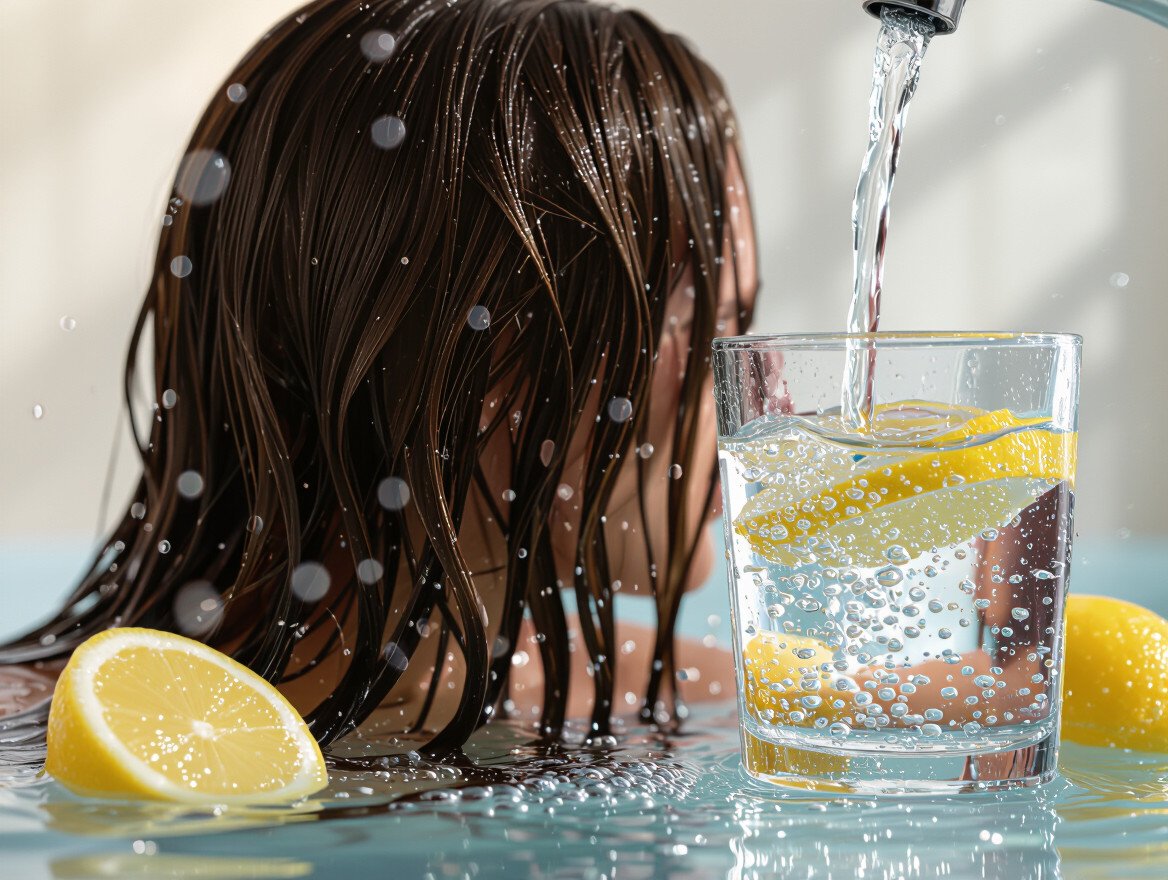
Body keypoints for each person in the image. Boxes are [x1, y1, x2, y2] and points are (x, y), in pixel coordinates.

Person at [0, 0, 757, 754]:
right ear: (480, 351)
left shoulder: (697, 694)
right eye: (717, 328)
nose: (766, 402)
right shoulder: (32, 734)